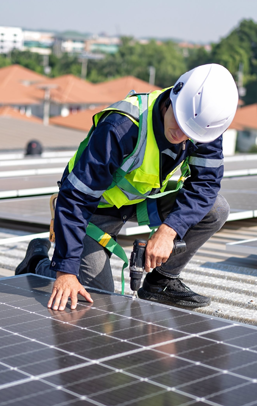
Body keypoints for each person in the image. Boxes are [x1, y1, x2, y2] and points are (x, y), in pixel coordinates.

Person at [16, 64, 239, 310]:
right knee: (95, 296)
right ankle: (37, 263)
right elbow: (76, 197)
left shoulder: (203, 126)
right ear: (174, 98)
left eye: (190, 133)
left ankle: (161, 283)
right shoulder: (122, 126)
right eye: (179, 122)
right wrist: (65, 272)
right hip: (94, 209)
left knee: (216, 210)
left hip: (142, 200)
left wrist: (169, 230)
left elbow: (206, 184)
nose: (181, 134)